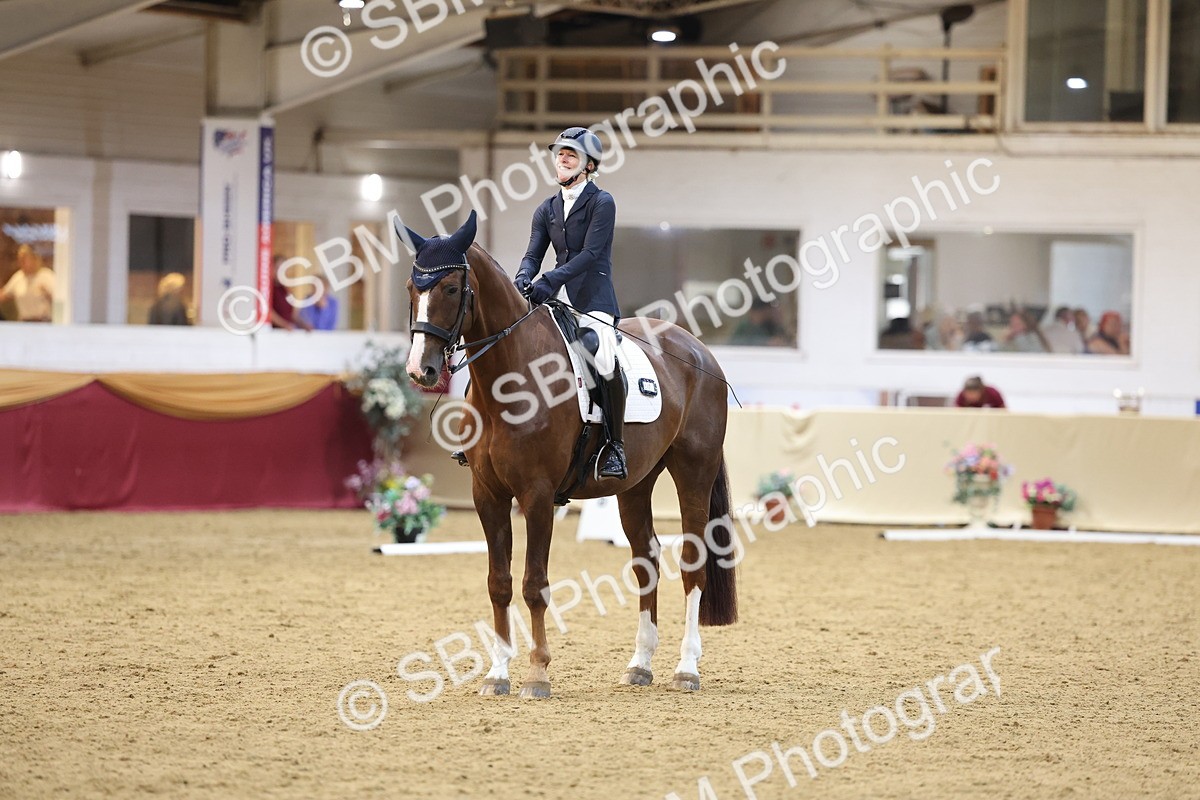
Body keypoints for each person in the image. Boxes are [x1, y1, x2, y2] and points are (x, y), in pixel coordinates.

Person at [514, 126, 626, 480]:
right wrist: (523, 275)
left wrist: (548, 280)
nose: (562, 159)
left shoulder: (601, 202)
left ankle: (615, 445)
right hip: (557, 297)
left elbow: (591, 254)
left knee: (600, 353)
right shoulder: (546, 209)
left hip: (593, 299)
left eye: (571, 154)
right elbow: (533, 254)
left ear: (589, 165)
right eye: (559, 154)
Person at [0, 244, 55, 322]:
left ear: (34, 259)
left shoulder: (47, 276)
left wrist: (48, 294)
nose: (20, 263)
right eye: (19, 260)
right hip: (24, 322)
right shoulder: (18, 277)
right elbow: (4, 295)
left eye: (24, 259)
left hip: (43, 322)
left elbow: (58, 300)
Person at [270, 255, 313, 331]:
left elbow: (293, 314)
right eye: (277, 268)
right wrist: (284, 324)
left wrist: (303, 325)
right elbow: (268, 312)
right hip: (274, 332)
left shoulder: (285, 289)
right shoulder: (268, 288)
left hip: (287, 332)